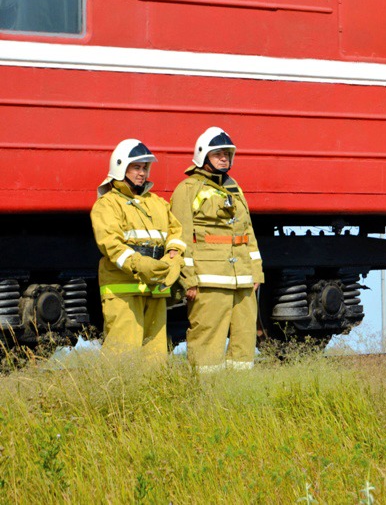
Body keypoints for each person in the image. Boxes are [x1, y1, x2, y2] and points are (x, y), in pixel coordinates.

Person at [171, 127, 263, 372]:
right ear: (203, 156)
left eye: (227, 154)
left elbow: (248, 233)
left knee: (244, 341)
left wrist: (256, 272)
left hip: (243, 280)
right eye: (217, 154)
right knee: (207, 341)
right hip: (208, 280)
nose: (223, 158)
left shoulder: (235, 188)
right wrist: (188, 280)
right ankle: (206, 391)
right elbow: (180, 238)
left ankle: (237, 390)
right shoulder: (187, 189)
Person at [90, 139, 186, 358]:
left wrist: (173, 256)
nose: (142, 173)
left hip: (155, 287)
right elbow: (111, 245)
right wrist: (139, 264)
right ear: (120, 167)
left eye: (144, 168)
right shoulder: (107, 204)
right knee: (122, 354)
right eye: (136, 167)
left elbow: (176, 232)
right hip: (123, 289)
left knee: (155, 355)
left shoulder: (157, 203)